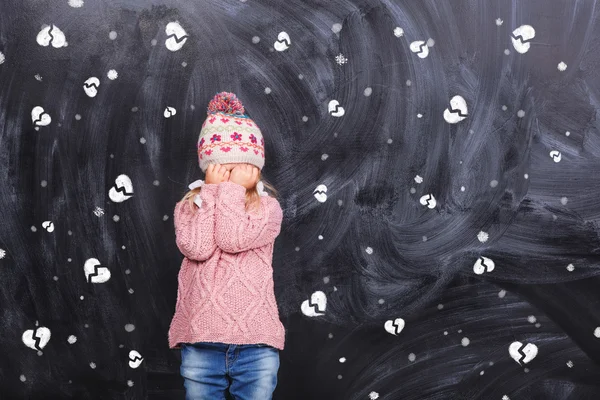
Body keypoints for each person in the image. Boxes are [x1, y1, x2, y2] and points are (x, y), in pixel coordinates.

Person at [168, 92, 285, 399]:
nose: (231, 176)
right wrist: (211, 195)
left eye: (239, 169)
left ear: (255, 167)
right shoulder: (190, 206)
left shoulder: (268, 209)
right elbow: (197, 248)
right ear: (208, 167)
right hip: (201, 340)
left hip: (256, 343)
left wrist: (230, 192)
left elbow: (232, 239)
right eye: (222, 169)